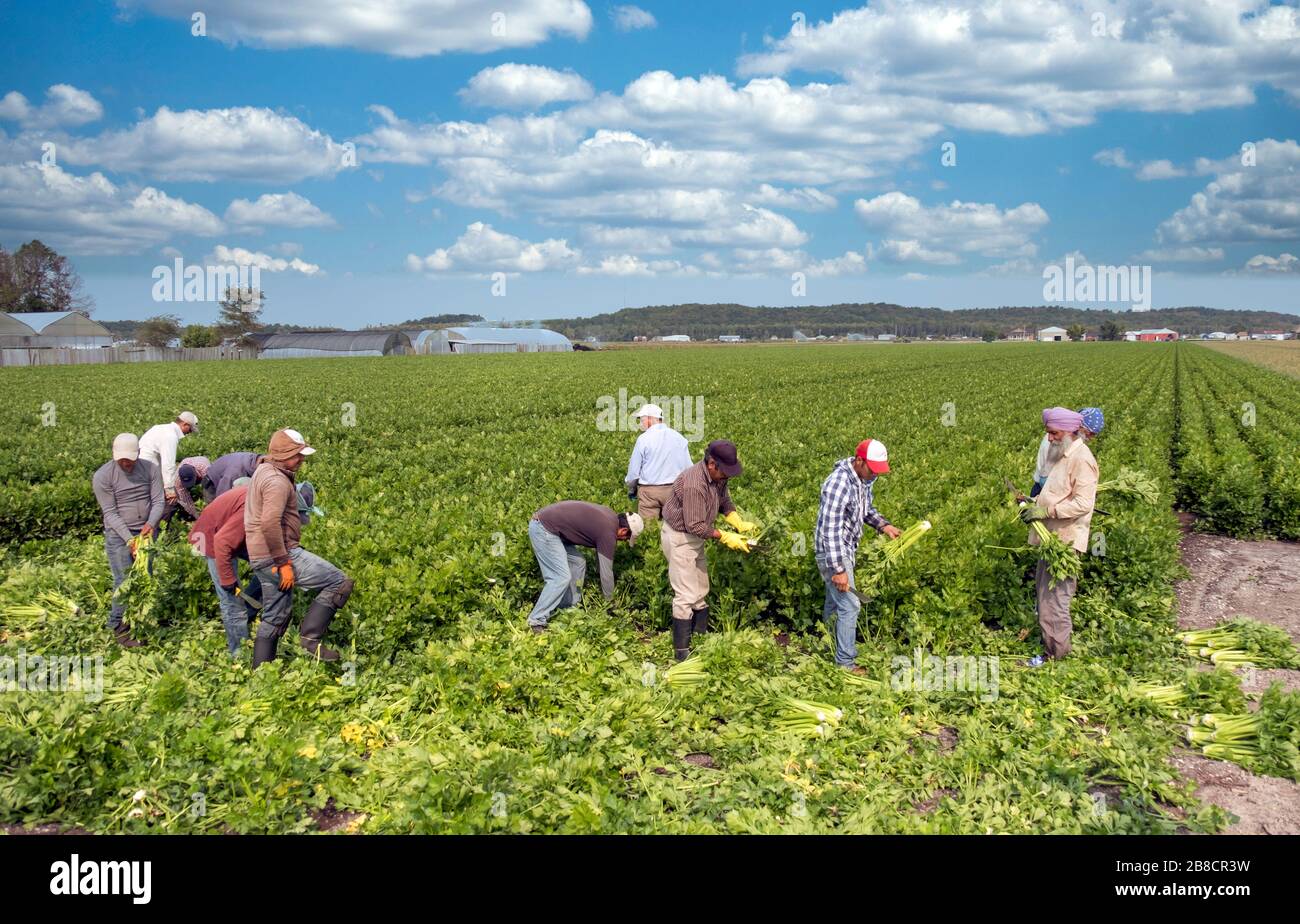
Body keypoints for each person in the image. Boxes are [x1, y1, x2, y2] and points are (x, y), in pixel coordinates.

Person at [245, 428, 353, 667]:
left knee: (275, 617)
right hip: (278, 556)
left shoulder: (263, 469)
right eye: (297, 455)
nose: (302, 459)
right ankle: (310, 641)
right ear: (283, 455)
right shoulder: (276, 482)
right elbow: (269, 522)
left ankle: (261, 673)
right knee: (339, 582)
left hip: (260, 558)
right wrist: (284, 564)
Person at [189, 480, 322, 657]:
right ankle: (239, 654)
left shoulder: (276, 501)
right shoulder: (256, 506)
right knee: (231, 601)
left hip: (239, 533)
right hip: (213, 537)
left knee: (271, 566)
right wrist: (228, 579)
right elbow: (222, 543)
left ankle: (251, 610)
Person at [660, 439, 756, 661]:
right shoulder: (695, 483)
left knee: (701, 589)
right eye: (725, 472)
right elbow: (694, 525)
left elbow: (724, 500)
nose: (727, 476)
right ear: (712, 464)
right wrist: (724, 536)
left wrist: (736, 521)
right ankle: (682, 655)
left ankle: (699, 641)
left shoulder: (718, 477)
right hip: (681, 538)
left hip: (696, 538)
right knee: (685, 594)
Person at [1018, 407, 1099, 666]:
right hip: (1051, 537)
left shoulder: (1081, 459)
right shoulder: (1062, 455)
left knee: (1054, 599)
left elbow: (1083, 504)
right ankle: (1053, 647)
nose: (1049, 438)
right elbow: (1057, 492)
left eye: (1053, 433)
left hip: (1064, 541)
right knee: (1045, 595)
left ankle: (1056, 655)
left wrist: (1047, 510)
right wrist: (1032, 503)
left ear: (1069, 433)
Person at [814, 439, 902, 672]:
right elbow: (829, 530)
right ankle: (845, 664)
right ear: (859, 460)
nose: (875, 475)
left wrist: (884, 526)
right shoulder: (838, 484)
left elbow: (866, 510)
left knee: (834, 603)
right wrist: (838, 569)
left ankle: (829, 648)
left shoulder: (863, 479)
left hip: (845, 548)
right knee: (851, 604)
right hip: (833, 551)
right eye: (872, 469)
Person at [91, 433, 163, 648]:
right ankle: (118, 627)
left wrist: (150, 524)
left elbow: (158, 500)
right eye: (121, 459)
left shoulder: (150, 469)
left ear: (138, 453)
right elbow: (110, 513)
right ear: (114, 456)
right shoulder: (103, 476)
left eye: (129, 459)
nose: (126, 463)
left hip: (147, 532)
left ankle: (140, 622)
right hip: (118, 535)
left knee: (145, 578)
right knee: (124, 581)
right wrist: (130, 540)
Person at [526, 502, 644, 632]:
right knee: (560, 577)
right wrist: (610, 603)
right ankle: (536, 620)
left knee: (578, 563)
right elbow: (606, 573)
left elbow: (602, 564)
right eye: (626, 538)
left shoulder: (610, 516)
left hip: (553, 530)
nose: (624, 541)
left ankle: (568, 608)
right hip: (544, 529)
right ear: (624, 530)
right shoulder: (608, 533)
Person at [625, 403, 692, 521]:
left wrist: (632, 489)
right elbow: (689, 468)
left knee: (648, 529)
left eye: (642, 420)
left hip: (650, 492)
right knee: (674, 528)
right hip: (675, 490)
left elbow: (634, 473)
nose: (641, 424)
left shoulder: (643, 439)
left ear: (650, 419)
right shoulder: (679, 437)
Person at [138, 411, 199, 523]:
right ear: (184, 424)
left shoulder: (160, 428)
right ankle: (159, 530)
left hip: (141, 469)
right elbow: (168, 465)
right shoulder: (170, 436)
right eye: (190, 429)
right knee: (170, 502)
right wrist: (170, 490)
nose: (189, 433)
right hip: (147, 473)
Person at [1030, 407, 1103, 498]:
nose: (1090, 437)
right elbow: (1048, 477)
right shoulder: (1056, 442)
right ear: (1080, 427)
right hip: (1043, 490)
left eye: (1094, 435)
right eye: (1089, 433)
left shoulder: (1067, 442)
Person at [170, 456, 211, 522]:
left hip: (203, 471)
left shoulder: (205, 467)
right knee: (178, 497)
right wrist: (197, 516)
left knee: (209, 495)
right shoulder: (178, 480)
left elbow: (210, 489)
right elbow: (185, 500)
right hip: (184, 478)